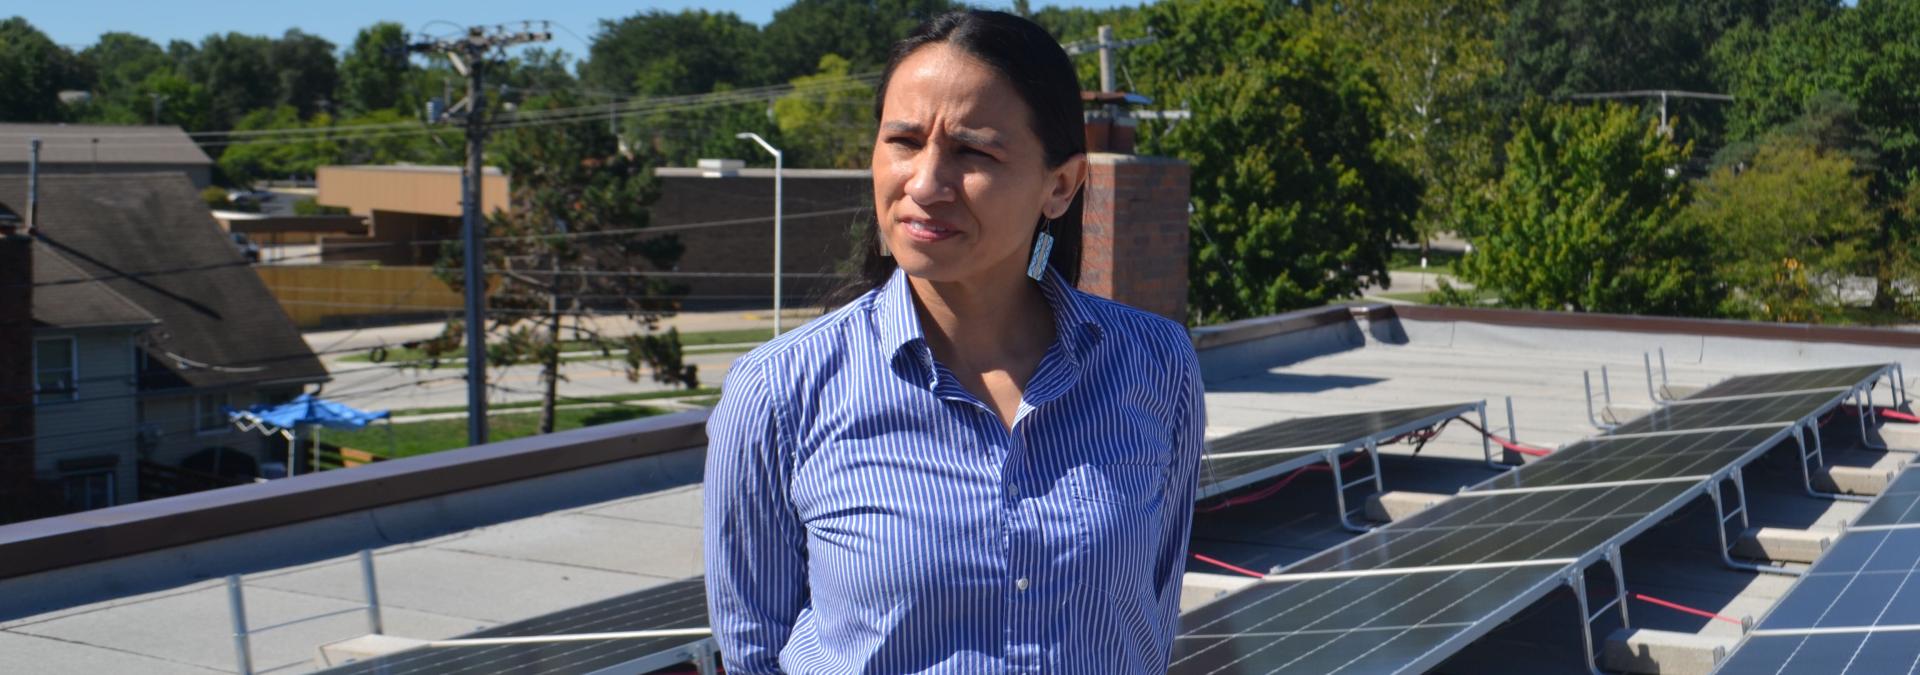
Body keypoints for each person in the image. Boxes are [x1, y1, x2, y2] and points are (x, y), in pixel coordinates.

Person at [703, 9, 1205, 673]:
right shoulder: (778, 392)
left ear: (1061, 184)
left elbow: (1148, 619)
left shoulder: (1155, 364)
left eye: (973, 151)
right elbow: (753, 654)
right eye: (904, 141)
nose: (925, 184)